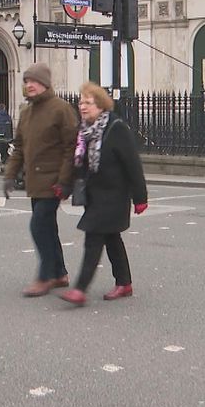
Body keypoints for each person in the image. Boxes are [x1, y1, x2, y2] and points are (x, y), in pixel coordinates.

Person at [60, 83, 148, 307]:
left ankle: (79, 289)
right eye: (81, 102)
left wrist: (140, 198)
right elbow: (79, 165)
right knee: (111, 238)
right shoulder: (85, 131)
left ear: (100, 106)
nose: (82, 106)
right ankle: (124, 283)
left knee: (94, 238)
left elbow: (133, 164)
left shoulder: (116, 128)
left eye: (88, 103)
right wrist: (66, 187)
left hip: (114, 196)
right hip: (95, 195)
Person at [4, 62, 78, 297]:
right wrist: (10, 175)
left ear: (45, 84)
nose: (29, 85)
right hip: (35, 182)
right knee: (48, 227)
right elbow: (18, 148)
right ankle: (59, 273)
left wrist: (65, 181)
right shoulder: (26, 112)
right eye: (26, 81)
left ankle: (45, 276)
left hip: (54, 181)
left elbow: (71, 147)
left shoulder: (61, 109)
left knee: (38, 225)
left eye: (33, 81)